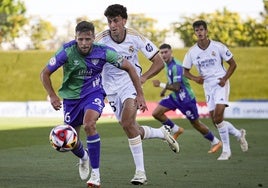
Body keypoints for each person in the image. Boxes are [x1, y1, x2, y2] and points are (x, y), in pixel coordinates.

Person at [40, 21, 148, 188]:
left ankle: (95, 175)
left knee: (89, 124)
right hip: (71, 98)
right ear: (76, 38)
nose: (84, 43)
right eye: (81, 39)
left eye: (88, 39)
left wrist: (140, 94)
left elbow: (130, 68)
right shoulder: (66, 51)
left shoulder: (103, 52)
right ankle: (84, 157)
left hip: (94, 93)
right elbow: (45, 73)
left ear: (93, 38)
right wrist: (52, 95)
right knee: (72, 140)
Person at [95, 4, 179, 185]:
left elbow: (158, 62)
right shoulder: (99, 40)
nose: (112, 25)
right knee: (131, 127)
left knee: (127, 123)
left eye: (116, 20)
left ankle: (141, 173)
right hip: (110, 88)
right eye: (109, 21)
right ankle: (160, 133)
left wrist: (144, 78)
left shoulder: (135, 37)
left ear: (124, 21)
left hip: (130, 85)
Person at [182, 20, 248, 160]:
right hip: (208, 87)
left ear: (206, 31)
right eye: (197, 30)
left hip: (220, 84)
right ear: (195, 33)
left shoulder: (218, 47)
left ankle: (226, 151)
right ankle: (238, 134)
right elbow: (185, 71)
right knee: (215, 120)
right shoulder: (192, 52)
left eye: (201, 30)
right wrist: (195, 78)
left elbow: (233, 64)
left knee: (218, 117)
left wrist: (224, 78)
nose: (199, 32)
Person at [152, 43, 222, 153]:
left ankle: (215, 141)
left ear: (171, 52)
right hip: (175, 97)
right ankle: (176, 130)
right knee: (156, 113)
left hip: (186, 100)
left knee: (196, 124)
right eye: (162, 53)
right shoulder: (167, 65)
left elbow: (176, 86)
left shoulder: (177, 66)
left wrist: (160, 84)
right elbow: (172, 81)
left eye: (166, 52)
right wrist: (164, 90)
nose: (164, 55)